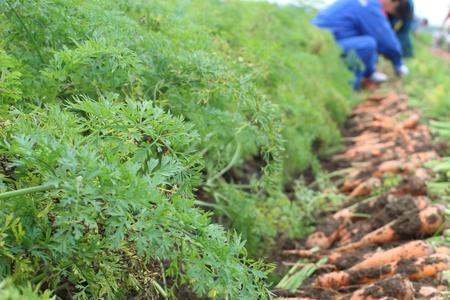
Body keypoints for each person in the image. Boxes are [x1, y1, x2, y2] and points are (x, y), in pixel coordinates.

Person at [312, 0, 409, 90]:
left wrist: (371, 72)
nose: (388, 13)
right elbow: (387, 42)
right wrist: (398, 64)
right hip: (325, 45)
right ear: (393, 2)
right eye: (392, 10)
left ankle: (369, 73)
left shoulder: (364, 2)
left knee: (370, 49)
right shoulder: (369, 5)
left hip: (321, 41)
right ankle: (347, 86)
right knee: (367, 44)